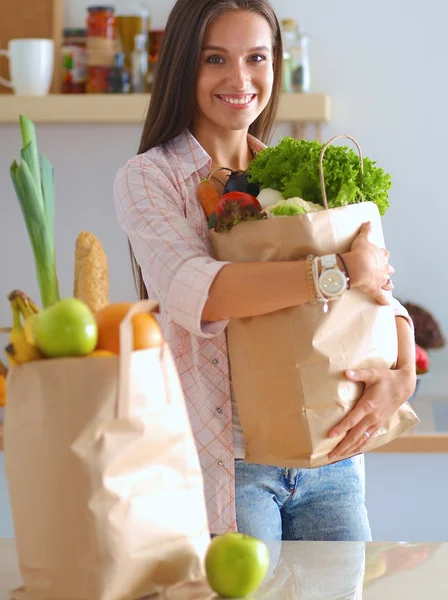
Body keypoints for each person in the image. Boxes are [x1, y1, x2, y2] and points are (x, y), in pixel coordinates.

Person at [114, 0, 416, 542]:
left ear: (275, 65)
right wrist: (340, 269)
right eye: (215, 59)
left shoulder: (299, 174)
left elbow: (377, 292)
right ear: (184, 64)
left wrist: (403, 374)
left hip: (332, 455)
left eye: (256, 57)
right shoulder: (149, 179)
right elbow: (200, 292)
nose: (239, 78)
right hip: (229, 461)